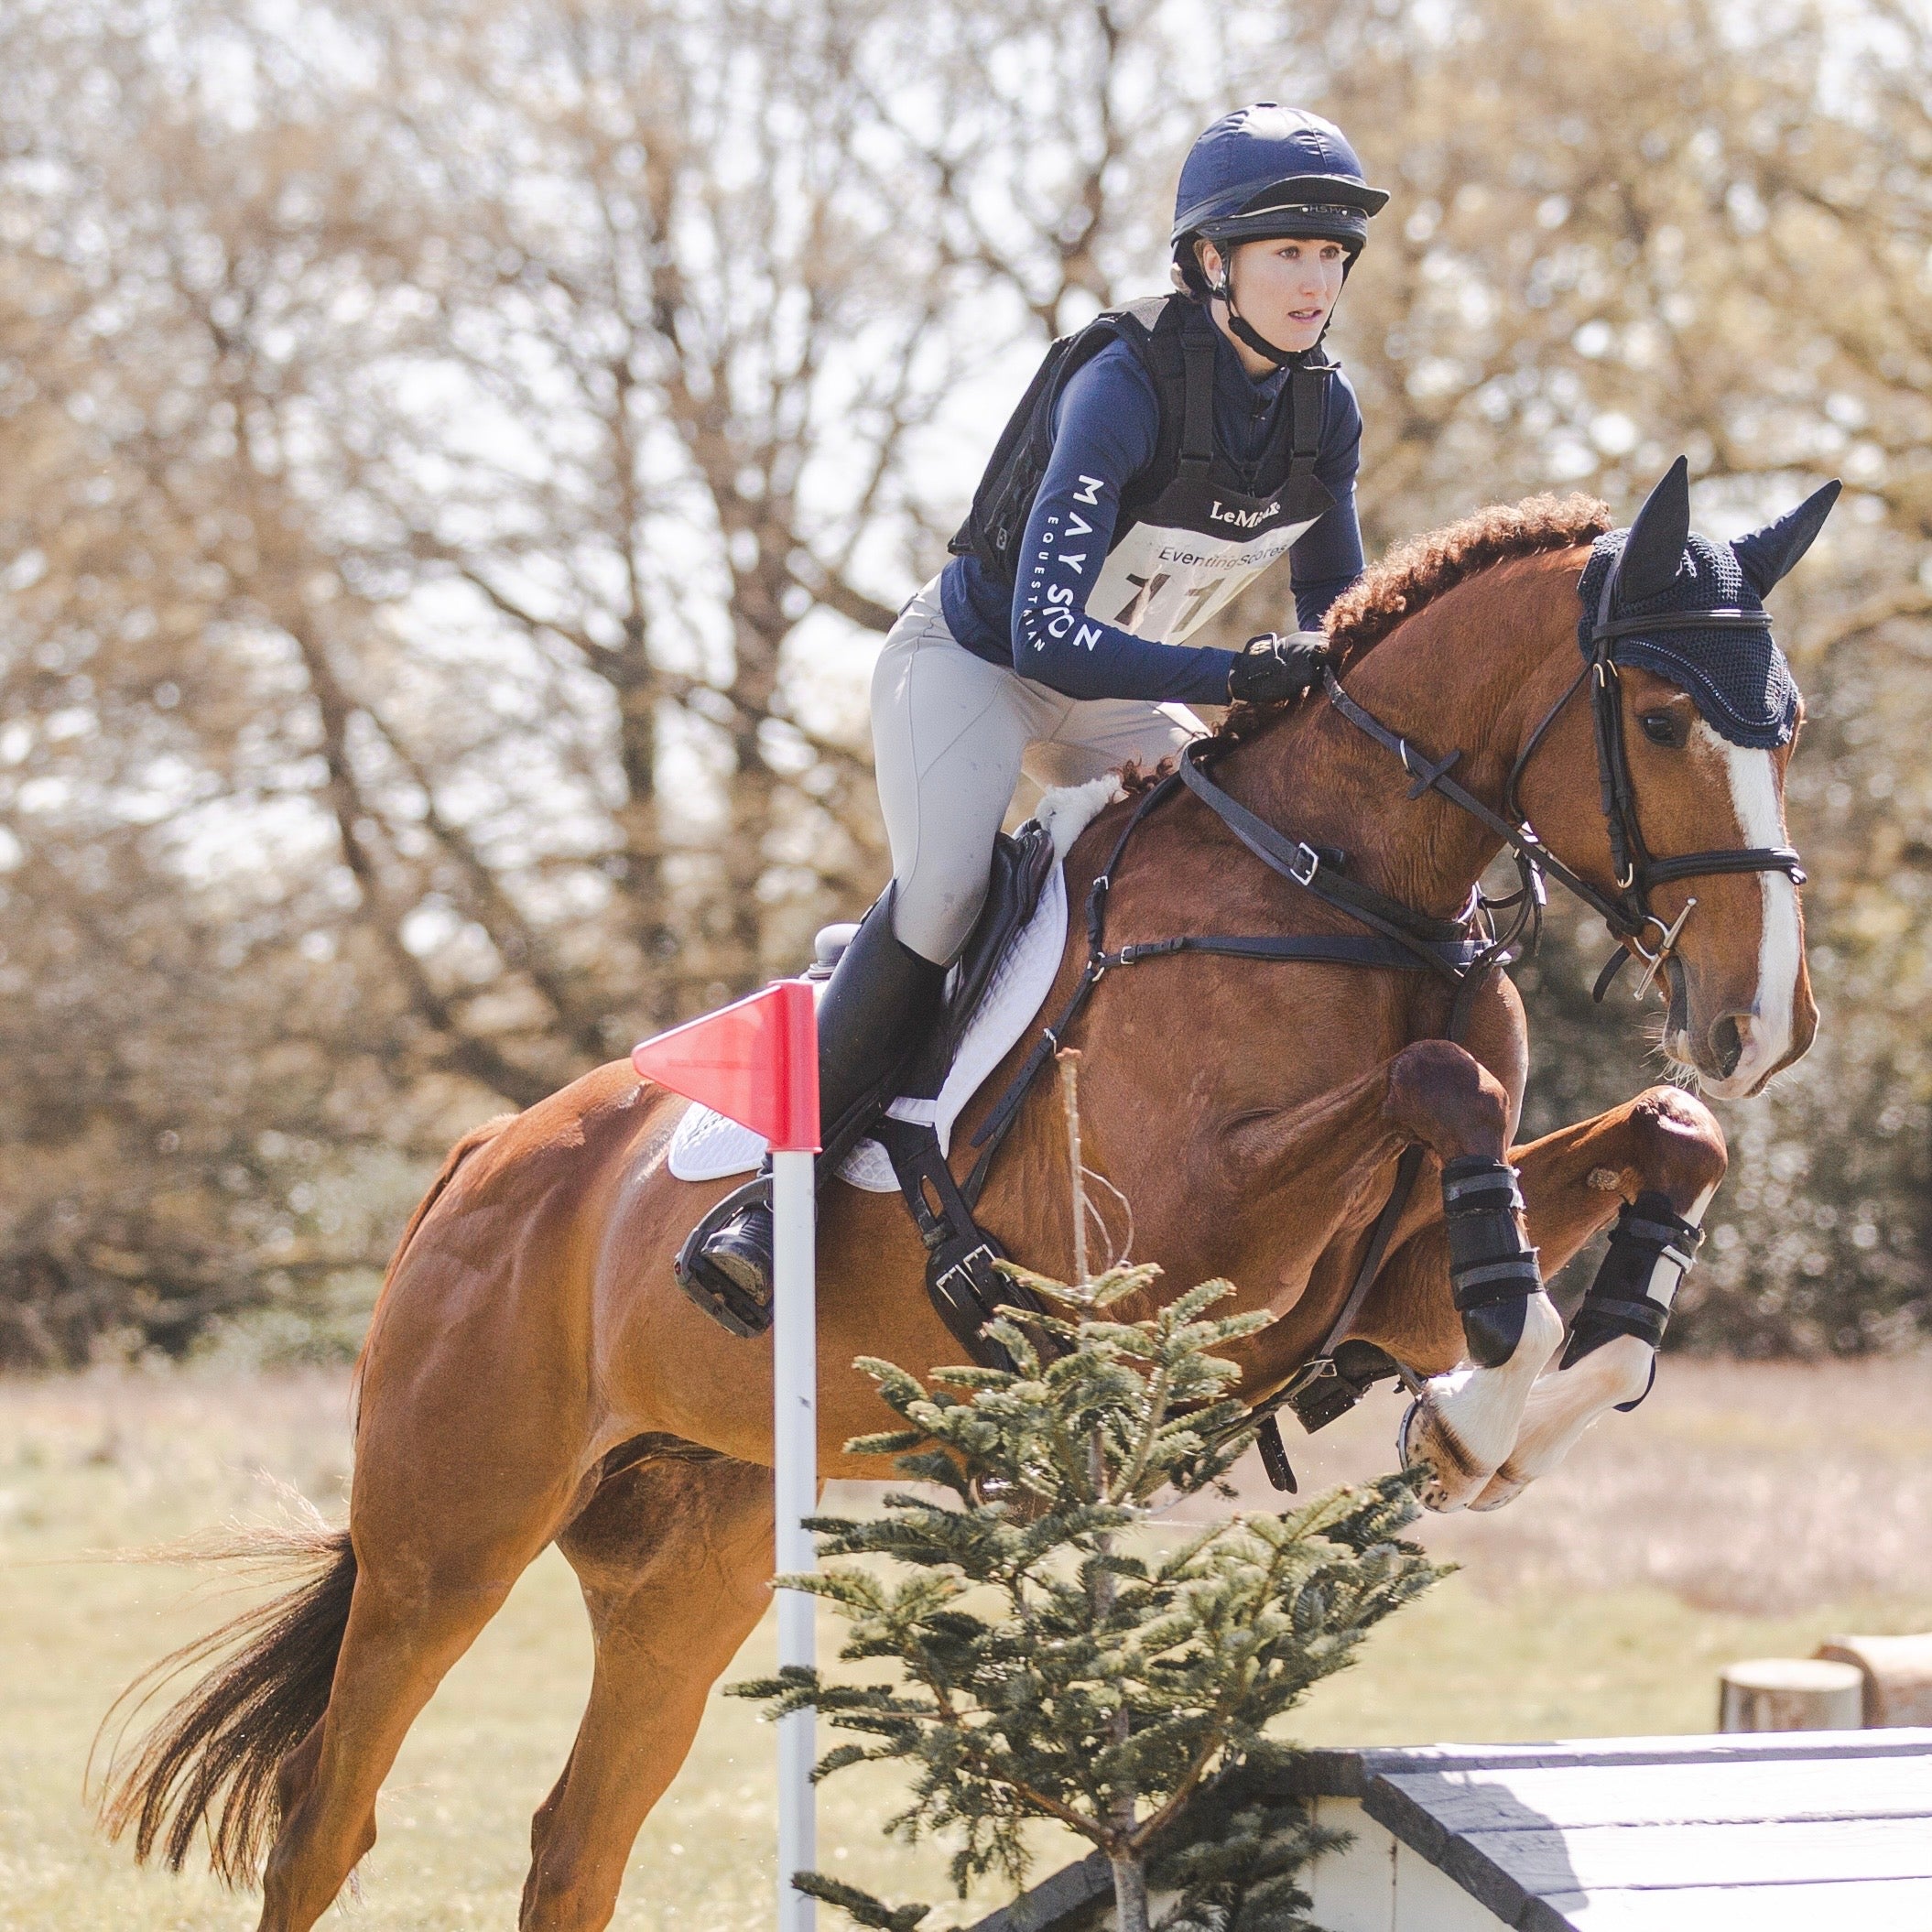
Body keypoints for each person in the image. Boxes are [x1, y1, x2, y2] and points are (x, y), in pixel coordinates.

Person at [682, 104, 1388, 1328]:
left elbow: (1336, 604)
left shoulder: (1324, 413)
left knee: (1252, 862)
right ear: (1209, 260)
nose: (1314, 282)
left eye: (1331, 255)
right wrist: (1235, 678)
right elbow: (1045, 637)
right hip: (975, 662)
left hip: (1113, 689)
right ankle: (779, 1190)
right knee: (947, 889)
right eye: (1287, 252)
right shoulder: (1124, 382)